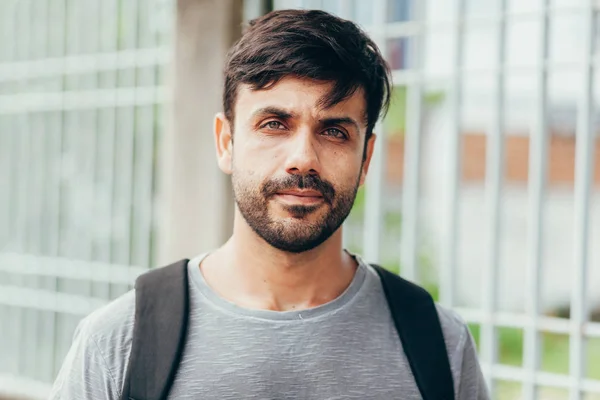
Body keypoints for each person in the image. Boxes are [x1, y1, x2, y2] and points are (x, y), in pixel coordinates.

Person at [50, 9, 489, 400]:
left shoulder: (439, 345)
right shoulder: (122, 342)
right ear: (226, 142)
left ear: (366, 157)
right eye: (275, 124)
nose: (303, 158)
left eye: (334, 131)